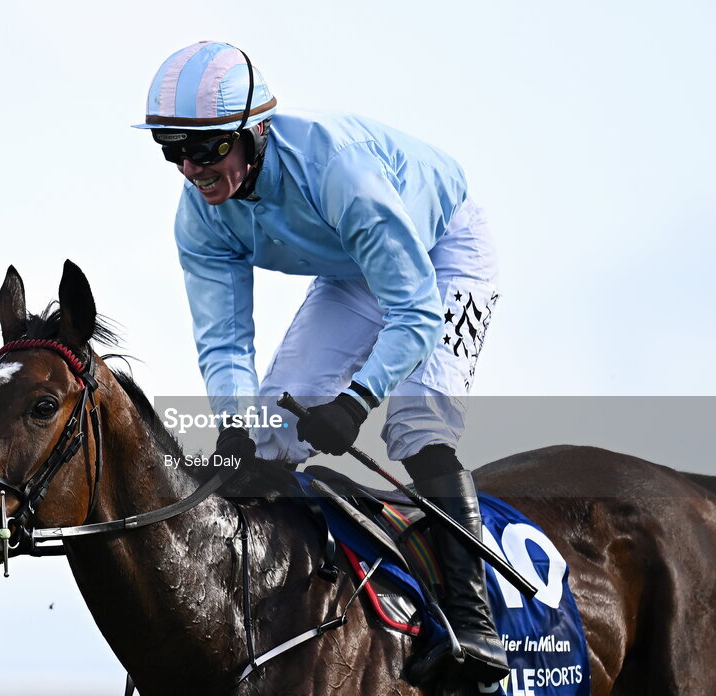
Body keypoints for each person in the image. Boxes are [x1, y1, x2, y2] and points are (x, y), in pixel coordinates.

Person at [133, 40, 507, 684]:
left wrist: (357, 401)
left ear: (255, 133)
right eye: (174, 150)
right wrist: (233, 421)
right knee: (268, 435)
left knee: (415, 424)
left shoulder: (338, 173)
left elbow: (416, 313)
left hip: (443, 252)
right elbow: (225, 343)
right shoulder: (199, 219)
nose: (191, 168)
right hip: (352, 269)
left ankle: (473, 624)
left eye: (208, 148)